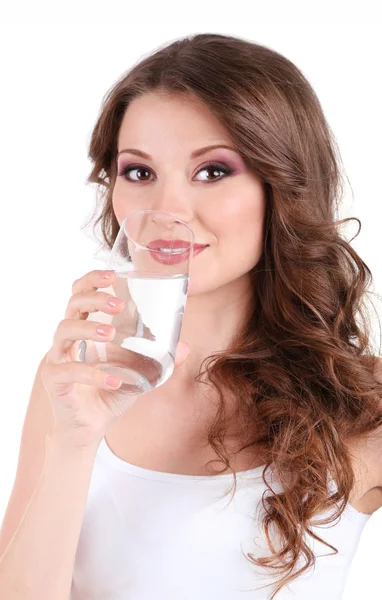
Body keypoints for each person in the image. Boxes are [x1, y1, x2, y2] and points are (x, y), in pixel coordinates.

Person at [0, 32, 381, 600]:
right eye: (139, 172)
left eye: (213, 171)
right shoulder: (76, 380)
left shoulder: (360, 403)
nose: (167, 211)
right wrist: (74, 443)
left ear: (283, 185)